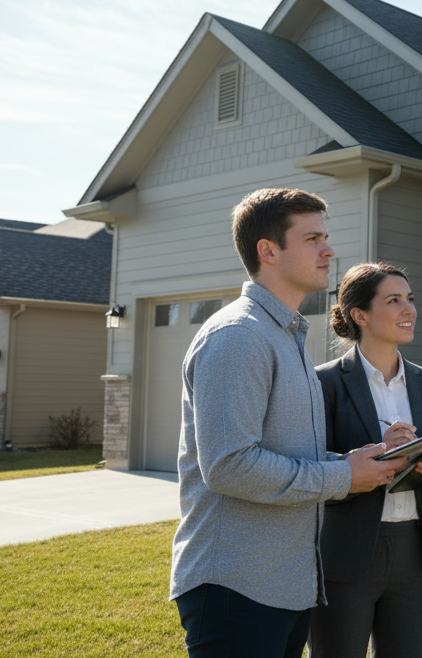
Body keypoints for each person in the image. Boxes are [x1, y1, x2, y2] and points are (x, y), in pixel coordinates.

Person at [169, 188, 405, 658]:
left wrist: (349, 462)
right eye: (313, 238)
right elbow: (230, 465)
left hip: (286, 585)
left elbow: (284, 453)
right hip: (236, 586)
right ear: (268, 251)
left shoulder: (286, 336)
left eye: (326, 236)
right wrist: (342, 476)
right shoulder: (239, 336)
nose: (329, 250)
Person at [310, 262, 422, 658]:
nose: (408, 309)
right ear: (359, 315)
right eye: (393, 300)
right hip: (346, 552)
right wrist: (381, 451)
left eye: (409, 299)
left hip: (416, 552)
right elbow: (312, 474)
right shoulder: (323, 383)